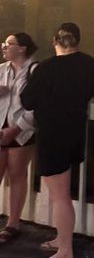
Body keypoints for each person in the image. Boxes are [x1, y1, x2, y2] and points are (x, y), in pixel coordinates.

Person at [20, 23, 94, 258]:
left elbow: (27, 101)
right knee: (62, 193)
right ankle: (61, 239)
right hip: (76, 133)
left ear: (54, 41)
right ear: (78, 41)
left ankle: (65, 249)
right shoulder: (89, 64)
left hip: (52, 135)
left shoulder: (45, 68)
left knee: (60, 196)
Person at [0, 33, 38, 244]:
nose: (4, 47)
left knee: (17, 175)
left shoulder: (34, 71)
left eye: (9, 44)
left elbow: (38, 104)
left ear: (22, 48)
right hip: (0, 125)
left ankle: (12, 224)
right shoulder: (1, 69)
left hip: (21, 129)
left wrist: (17, 128)